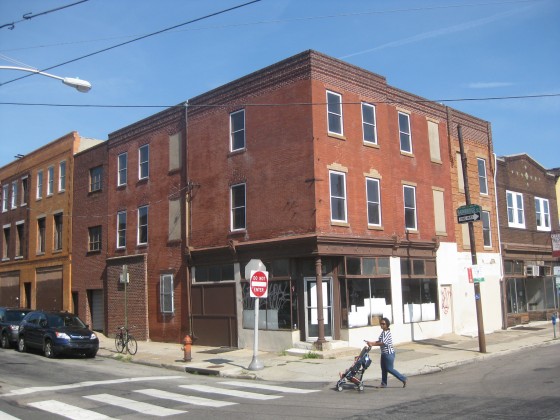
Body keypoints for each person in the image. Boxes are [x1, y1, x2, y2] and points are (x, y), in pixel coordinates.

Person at [366, 317, 407, 388]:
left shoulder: (386, 333)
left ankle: (403, 378)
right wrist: (371, 342)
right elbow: (379, 341)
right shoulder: (383, 332)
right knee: (384, 369)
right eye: (380, 323)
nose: (381, 325)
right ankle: (383, 383)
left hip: (388, 354)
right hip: (384, 353)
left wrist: (372, 344)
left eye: (383, 324)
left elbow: (383, 343)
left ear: (387, 325)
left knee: (389, 369)